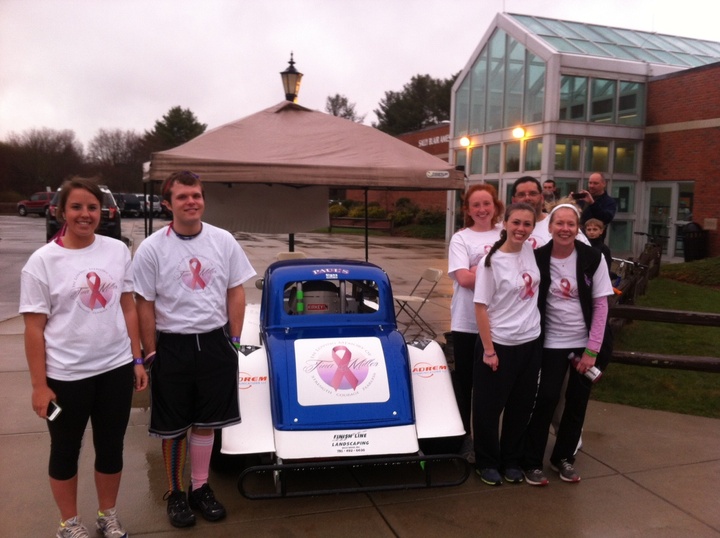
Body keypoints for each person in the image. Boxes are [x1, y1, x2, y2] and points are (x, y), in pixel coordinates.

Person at [20, 177, 148, 538]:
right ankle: (69, 523)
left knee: (111, 446)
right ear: (61, 211)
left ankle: (108, 515)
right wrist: (39, 385)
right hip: (65, 377)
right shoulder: (42, 262)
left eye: (92, 207)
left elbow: (128, 305)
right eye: (76, 207)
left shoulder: (117, 251)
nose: (85, 214)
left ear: (101, 212)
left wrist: (136, 359)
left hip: (115, 369)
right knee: (65, 450)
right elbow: (33, 328)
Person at [133, 171, 256, 528]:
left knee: (206, 425)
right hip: (173, 344)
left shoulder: (223, 241)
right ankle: (175, 494)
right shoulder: (153, 248)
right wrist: (150, 351)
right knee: (173, 427)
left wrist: (233, 340)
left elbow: (236, 289)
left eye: (197, 195)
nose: (192, 202)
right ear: (167, 204)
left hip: (215, 342)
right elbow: (145, 302)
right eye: (183, 196)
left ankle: (200, 488)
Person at [522, 203, 614, 486]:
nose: (564, 229)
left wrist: (592, 349)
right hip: (550, 342)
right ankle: (531, 461)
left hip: (584, 343)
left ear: (578, 228)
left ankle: (563, 458)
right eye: (559, 223)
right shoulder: (536, 257)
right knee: (547, 398)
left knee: (576, 403)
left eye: (570, 224)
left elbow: (600, 305)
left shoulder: (592, 258)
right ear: (549, 227)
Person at [471, 203, 542, 486]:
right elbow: (480, 308)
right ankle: (487, 461)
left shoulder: (530, 252)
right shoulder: (491, 261)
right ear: (505, 223)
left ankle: (511, 459)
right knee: (489, 409)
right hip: (499, 344)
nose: (521, 229)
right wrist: (489, 350)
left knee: (521, 406)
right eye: (516, 223)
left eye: (527, 224)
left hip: (530, 341)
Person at [448, 184, 504, 461]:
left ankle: (488, 440)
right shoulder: (461, 238)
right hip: (466, 322)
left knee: (492, 386)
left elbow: (513, 273)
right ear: (468, 210)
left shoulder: (506, 233)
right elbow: (464, 280)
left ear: (495, 205)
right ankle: (463, 437)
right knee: (466, 383)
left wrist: (476, 268)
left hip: (500, 323)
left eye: (486, 204)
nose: (482, 210)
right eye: (476, 205)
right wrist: (490, 271)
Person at [574, 172, 617, 238]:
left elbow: (606, 218)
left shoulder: (609, 201)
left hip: (595, 240)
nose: (591, 186)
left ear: (604, 184)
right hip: (577, 236)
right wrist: (570, 202)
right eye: (590, 183)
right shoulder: (582, 198)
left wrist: (592, 204)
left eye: (595, 183)